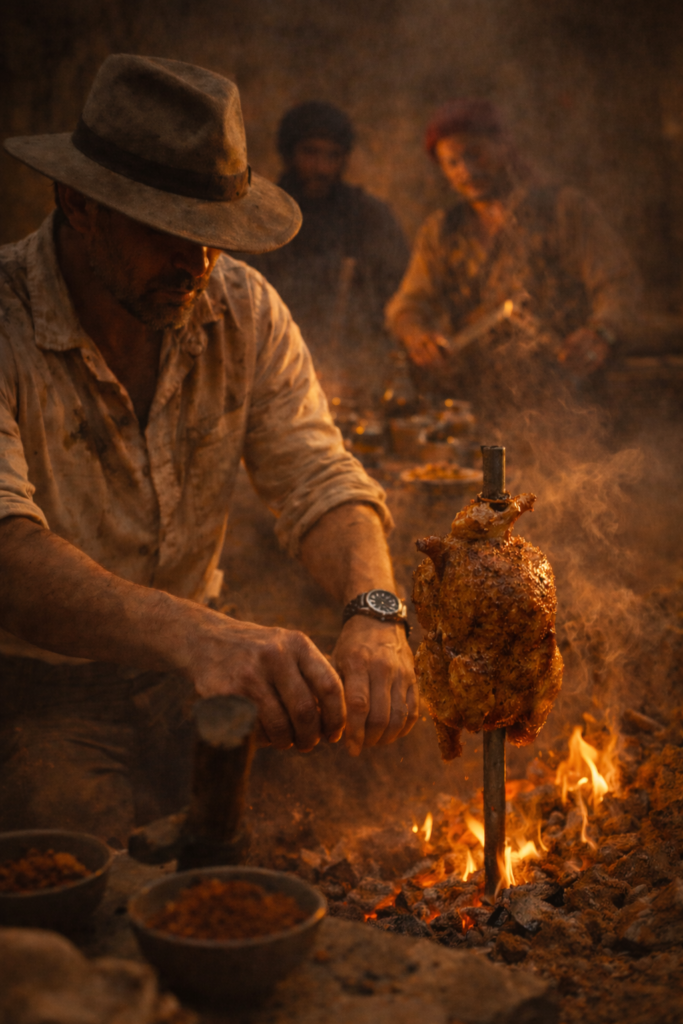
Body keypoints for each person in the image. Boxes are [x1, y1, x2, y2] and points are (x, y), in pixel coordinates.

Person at [0, 55, 416, 844]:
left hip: (188, 673)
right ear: (78, 204)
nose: (194, 265)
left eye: (213, 237)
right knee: (89, 862)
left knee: (323, 822)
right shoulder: (6, 316)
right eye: (165, 231)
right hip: (36, 687)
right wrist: (201, 635)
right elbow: (6, 554)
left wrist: (373, 609)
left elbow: (318, 477)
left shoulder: (240, 307)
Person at [386, 99, 641, 416]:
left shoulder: (563, 211)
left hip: (569, 396)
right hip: (478, 402)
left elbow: (619, 284)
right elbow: (406, 306)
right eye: (452, 163)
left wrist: (601, 333)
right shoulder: (441, 231)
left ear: (503, 146)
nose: (466, 171)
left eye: (475, 154)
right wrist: (418, 337)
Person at [248, 102, 409, 408]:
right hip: (270, 374)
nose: (321, 168)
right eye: (310, 153)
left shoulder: (369, 217)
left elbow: (397, 300)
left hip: (354, 380)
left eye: (332, 156)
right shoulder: (259, 216)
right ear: (289, 153)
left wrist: (365, 361)